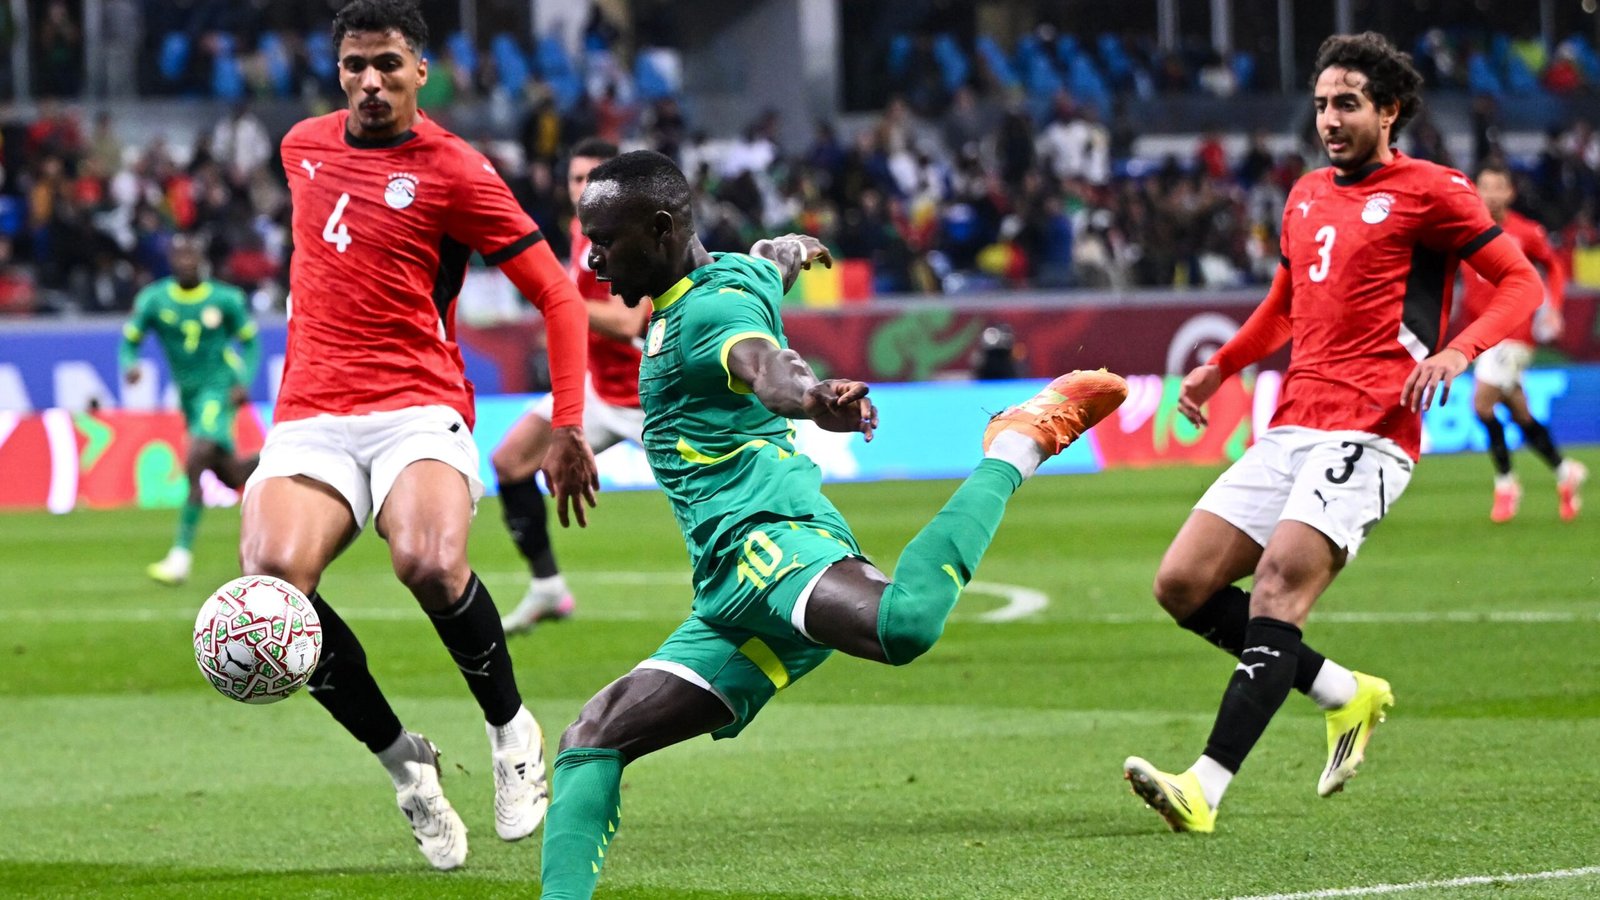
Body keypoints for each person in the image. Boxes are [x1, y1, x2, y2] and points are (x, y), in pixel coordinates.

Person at [535, 149, 1128, 899]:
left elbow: (765, 367)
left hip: (771, 546)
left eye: (604, 240)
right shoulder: (726, 278)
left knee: (904, 625)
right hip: (727, 593)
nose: (591, 259)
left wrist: (814, 398)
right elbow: (767, 264)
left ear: (659, 229)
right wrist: (785, 249)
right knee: (591, 741)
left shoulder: (706, 314)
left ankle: (1017, 444)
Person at [1122, 32, 1543, 834]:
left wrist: (1459, 350)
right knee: (1182, 584)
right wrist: (1225, 365)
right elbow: (1284, 302)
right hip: (1293, 423)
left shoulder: (1433, 191)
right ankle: (1345, 693)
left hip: (1375, 426)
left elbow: (1519, 281)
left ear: (1389, 111)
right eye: (1320, 104)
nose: (1329, 119)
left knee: (1280, 584)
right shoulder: (1306, 194)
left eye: (1347, 103)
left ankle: (1204, 787)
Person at [236, 0, 599, 871]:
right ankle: (408, 767)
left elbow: (557, 293)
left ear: (420, 71)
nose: (371, 81)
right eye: (356, 64)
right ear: (337, 70)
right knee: (273, 587)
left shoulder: (456, 169)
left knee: (429, 563)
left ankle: (513, 733)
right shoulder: (300, 147)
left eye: (388, 64)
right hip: (313, 415)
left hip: (416, 403)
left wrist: (568, 423)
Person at [494, 137, 650, 633]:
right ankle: (547, 588)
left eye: (595, 178)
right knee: (511, 460)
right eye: (576, 179)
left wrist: (558, 301)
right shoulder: (583, 235)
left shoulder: (637, 235)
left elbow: (630, 323)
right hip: (599, 390)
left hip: (653, 398)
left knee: (712, 498)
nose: (585, 188)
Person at [120, 234, 260, 585]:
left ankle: (180, 555)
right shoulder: (154, 299)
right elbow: (129, 341)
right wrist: (130, 364)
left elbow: (251, 343)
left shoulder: (225, 299)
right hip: (189, 397)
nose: (185, 260)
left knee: (196, 456)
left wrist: (245, 379)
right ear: (171, 259)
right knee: (232, 476)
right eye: (178, 254)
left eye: (191, 254)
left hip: (219, 388)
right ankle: (279, 455)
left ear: (201, 258)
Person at [1464, 163, 1587, 522]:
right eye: (1483, 186)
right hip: (1481, 336)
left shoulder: (1525, 232)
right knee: (1519, 412)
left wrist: (1554, 309)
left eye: (1497, 187)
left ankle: (1506, 484)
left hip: (1515, 333)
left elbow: (1556, 267)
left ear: (1509, 193)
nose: (1490, 194)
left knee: (1482, 405)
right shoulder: (1464, 230)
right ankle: (1566, 473)